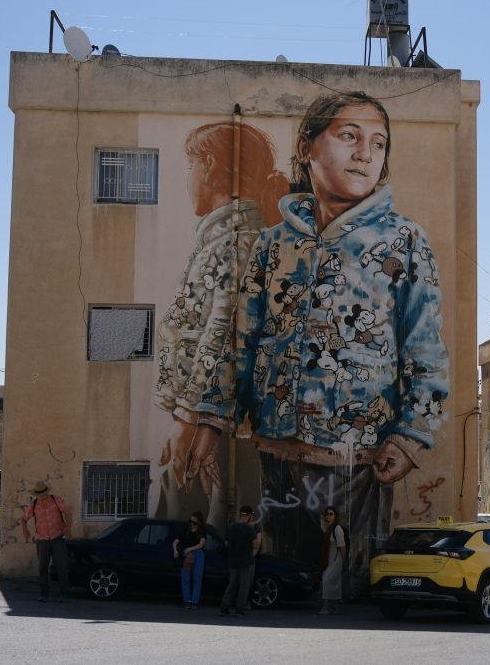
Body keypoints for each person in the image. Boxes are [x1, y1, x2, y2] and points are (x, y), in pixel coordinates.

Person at [195, 92, 449, 590]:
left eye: (378, 143)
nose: (364, 153)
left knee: (347, 580)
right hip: (275, 455)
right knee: (281, 577)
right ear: (307, 146)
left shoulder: (405, 243)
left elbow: (426, 351)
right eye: (349, 136)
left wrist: (410, 436)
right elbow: (240, 346)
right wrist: (211, 422)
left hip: (358, 460)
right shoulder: (272, 246)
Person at [154, 120, 288, 530]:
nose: (187, 179)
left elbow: (225, 339)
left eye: (190, 165)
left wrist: (191, 423)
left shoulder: (237, 241)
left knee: (194, 528)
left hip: (217, 431)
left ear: (210, 166)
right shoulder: (224, 237)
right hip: (208, 424)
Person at [20, 481, 72, 602]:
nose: (42, 497)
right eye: (40, 495)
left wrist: (68, 529)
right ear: (37, 495)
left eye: (44, 494)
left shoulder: (55, 500)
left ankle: (64, 593)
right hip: (42, 539)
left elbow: (68, 513)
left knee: (61, 566)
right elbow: (23, 519)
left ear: (47, 492)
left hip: (58, 537)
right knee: (42, 567)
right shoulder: (34, 504)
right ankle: (44, 593)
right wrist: (25, 530)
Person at [220, 505, 260, 616]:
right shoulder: (250, 528)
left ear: (240, 514)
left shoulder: (230, 527)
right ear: (248, 516)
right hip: (246, 561)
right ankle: (239, 608)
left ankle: (225, 606)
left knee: (232, 584)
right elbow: (255, 544)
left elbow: (226, 543)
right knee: (244, 586)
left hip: (233, 559)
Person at [172, 511, 207, 609]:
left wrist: (190, 549)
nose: (191, 524)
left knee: (197, 579)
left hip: (197, 554)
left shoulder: (202, 531)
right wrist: (175, 551)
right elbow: (175, 542)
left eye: (194, 522)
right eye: (190, 521)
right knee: (185, 578)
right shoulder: (185, 530)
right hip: (186, 555)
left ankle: (194, 601)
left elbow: (201, 544)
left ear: (199, 523)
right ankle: (187, 600)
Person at [318, 506, 346, 614]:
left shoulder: (337, 528)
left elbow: (342, 546)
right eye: (327, 514)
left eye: (331, 514)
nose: (328, 516)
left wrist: (343, 560)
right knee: (333, 582)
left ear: (335, 515)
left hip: (336, 559)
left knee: (327, 581)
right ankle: (334, 606)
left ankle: (326, 607)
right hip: (329, 559)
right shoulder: (328, 528)